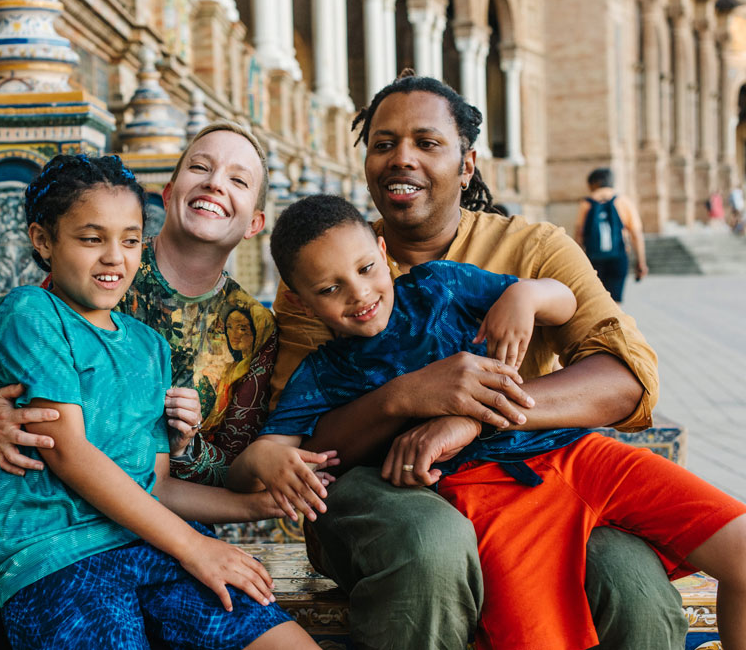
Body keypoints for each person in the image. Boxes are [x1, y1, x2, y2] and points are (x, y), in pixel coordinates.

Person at [269, 72, 688, 649]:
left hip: (530, 475)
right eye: (383, 144)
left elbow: (625, 377)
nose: (401, 159)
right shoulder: (327, 268)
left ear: (466, 165)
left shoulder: (533, 251)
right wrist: (407, 396)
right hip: (381, 490)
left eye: (427, 142)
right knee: (429, 548)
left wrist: (471, 414)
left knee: (631, 585)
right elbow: (299, 444)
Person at [230, 194, 746, 650]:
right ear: (297, 300)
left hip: (573, 450)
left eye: (366, 269)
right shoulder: (323, 374)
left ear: (384, 255)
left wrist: (525, 296)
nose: (359, 294)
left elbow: (565, 305)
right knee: (535, 636)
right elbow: (279, 448)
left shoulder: (443, 286)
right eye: (329, 288)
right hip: (482, 490)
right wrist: (261, 455)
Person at [0, 123, 334, 648]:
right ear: (169, 193)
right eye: (200, 167)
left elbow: (177, 475)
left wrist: (221, 473)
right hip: (54, 535)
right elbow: (48, 425)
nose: (215, 185)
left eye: (239, 180)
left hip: (154, 532)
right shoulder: (61, 293)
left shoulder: (239, 329)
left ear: (256, 223)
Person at [574, 167, 648, 301]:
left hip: (593, 258)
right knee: (615, 300)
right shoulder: (623, 201)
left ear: (592, 183)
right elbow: (636, 234)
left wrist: (578, 261)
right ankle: (615, 321)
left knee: (596, 299)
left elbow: (579, 233)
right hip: (618, 256)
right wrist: (641, 263)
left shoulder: (586, 203)